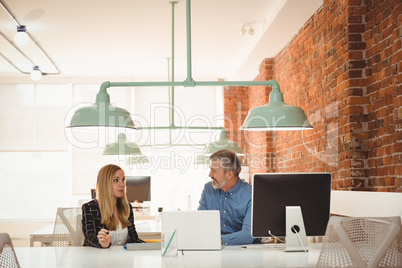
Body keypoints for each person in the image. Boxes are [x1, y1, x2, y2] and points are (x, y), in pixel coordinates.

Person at [198, 149, 256, 246]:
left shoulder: (251, 194)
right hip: (212, 249)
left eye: (214, 171)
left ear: (229, 174)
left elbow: (249, 234)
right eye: (210, 169)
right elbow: (200, 222)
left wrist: (219, 240)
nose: (210, 175)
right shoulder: (208, 189)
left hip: (244, 251)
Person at [82, 164, 144, 248]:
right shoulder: (89, 207)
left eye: (123, 180)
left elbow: (134, 239)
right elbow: (89, 237)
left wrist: (152, 247)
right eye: (116, 180)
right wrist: (101, 243)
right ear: (105, 183)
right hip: (99, 258)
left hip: (123, 259)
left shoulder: (127, 207)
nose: (122, 184)